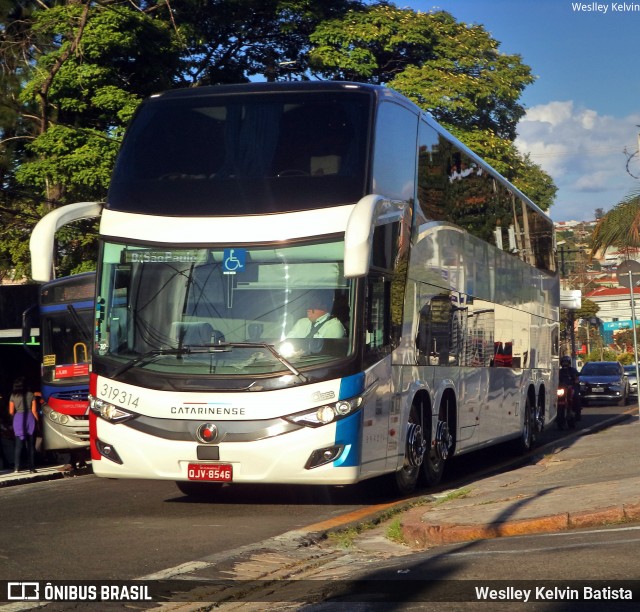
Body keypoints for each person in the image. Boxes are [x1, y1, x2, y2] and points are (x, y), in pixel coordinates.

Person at [8, 377, 38, 473]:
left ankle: (16, 467)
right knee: (30, 445)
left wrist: (14, 419)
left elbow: (11, 411)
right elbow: (34, 410)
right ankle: (32, 468)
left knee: (18, 446)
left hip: (18, 419)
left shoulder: (13, 396)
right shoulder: (31, 395)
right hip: (29, 418)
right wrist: (37, 421)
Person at [559, 356, 581, 421]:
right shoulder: (559, 371)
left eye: (566, 362)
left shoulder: (573, 370)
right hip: (562, 388)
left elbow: (577, 378)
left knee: (576, 396)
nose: (565, 364)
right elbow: (555, 378)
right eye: (563, 362)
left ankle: (577, 412)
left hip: (571, 387)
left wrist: (576, 380)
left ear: (569, 363)